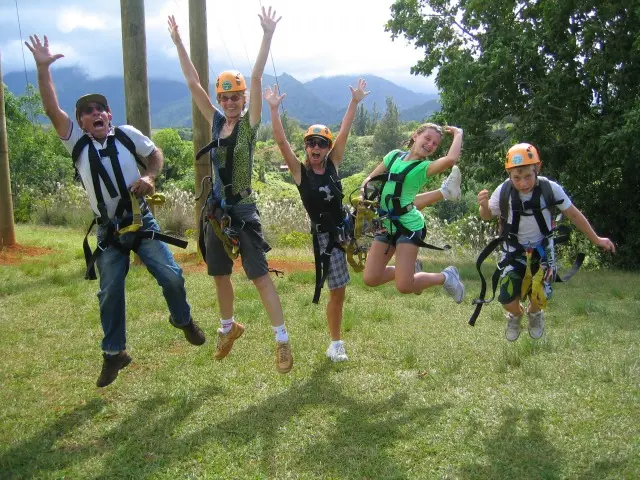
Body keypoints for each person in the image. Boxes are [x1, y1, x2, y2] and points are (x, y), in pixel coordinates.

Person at [25, 34, 205, 388]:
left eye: (100, 109)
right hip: (108, 230)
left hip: (142, 221)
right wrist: (43, 68)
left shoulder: (126, 135)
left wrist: (150, 177)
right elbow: (51, 109)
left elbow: (154, 154)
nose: (96, 114)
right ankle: (114, 354)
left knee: (170, 276)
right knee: (109, 291)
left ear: (109, 115)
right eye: (88, 111)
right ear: (80, 121)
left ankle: (182, 320)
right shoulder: (76, 143)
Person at [168, 7, 293, 373]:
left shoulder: (249, 127)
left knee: (258, 275)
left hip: (242, 209)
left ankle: (282, 340)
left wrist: (267, 35)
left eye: (234, 97)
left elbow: (255, 78)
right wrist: (178, 42)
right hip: (216, 210)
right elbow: (193, 84)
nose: (229, 103)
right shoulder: (217, 123)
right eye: (224, 98)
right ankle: (228, 328)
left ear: (242, 98)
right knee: (218, 273)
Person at [264, 80, 369, 362]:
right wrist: (273, 109)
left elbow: (345, 130)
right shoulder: (301, 173)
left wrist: (354, 102)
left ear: (328, 148)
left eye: (321, 143)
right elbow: (281, 141)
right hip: (326, 238)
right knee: (338, 291)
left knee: (377, 219)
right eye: (311, 143)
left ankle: (405, 262)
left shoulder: (333, 164)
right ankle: (335, 344)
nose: (315, 147)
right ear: (306, 148)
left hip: (347, 225)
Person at [477, 142, 616, 341]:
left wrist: (596, 239)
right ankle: (515, 314)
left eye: (527, 176)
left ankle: (534, 314)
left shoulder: (550, 189)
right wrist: (483, 206)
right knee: (506, 297)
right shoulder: (504, 191)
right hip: (513, 250)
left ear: (537, 168)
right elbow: (487, 215)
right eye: (516, 178)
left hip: (543, 250)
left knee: (541, 294)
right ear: (509, 174)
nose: (523, 183)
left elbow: (574, 215)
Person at [360, 123, 465, 302]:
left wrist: (458, 134)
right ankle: (410, 270)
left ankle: (447, 276)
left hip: (409, 227)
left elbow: (450, 160)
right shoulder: (393, 156)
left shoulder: (423, 168)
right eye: (428, 139)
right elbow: (370, 179)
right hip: (386, 224)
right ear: (416, 135)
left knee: (404, 286)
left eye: (435, 144)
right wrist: (363, 193)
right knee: (370, 278)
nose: (431, 145)